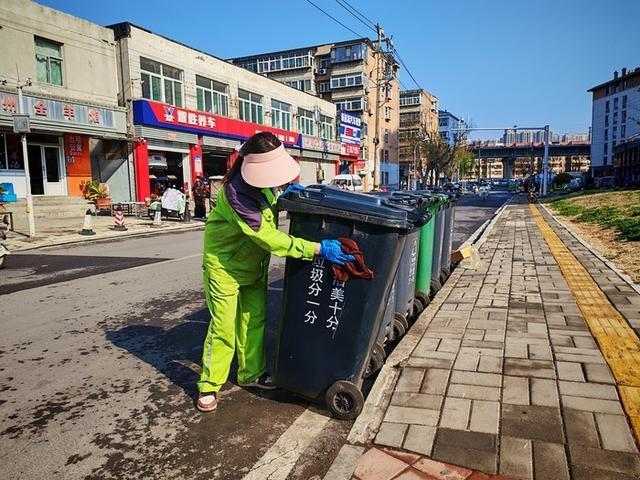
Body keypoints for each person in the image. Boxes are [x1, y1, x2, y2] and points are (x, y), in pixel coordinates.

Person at [196, 132, 354, 412]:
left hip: (254, 265)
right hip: (225, 267)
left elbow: (270, 207)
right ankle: (209, 384)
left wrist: (285, 198)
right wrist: (316, 249)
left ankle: (250, 374)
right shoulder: (236, 195)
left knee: (254, 320)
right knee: (223, 328)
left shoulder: (265, 185)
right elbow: (268, 238)